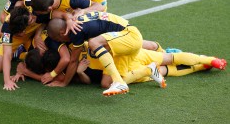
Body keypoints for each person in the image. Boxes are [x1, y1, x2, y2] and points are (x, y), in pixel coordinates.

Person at [46, 11, 144, 96]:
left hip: (130, 36)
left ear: (62, 32)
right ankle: (148, 71)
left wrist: (64, 83)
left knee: (94, 43)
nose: (60, 42)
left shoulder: (75, 31)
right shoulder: (77, 19)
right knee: (106, 83)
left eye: (57, 39)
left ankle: (119, 82)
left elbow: (73, 61)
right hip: (125, 37)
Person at [76, 43, 227, 88]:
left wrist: (80, 73)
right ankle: (207, 60)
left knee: (165, 70)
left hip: (126, 68)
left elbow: (95, 81)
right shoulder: (87, 41)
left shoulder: (83, 48)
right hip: (137, 53)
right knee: (170, 57)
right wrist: (157, 47)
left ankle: (147, 71)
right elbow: (146, 43)